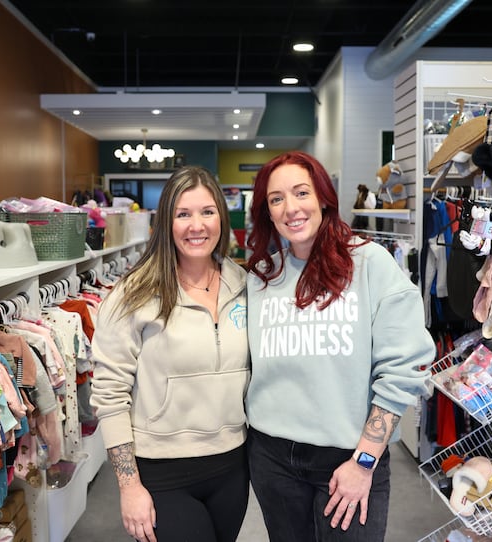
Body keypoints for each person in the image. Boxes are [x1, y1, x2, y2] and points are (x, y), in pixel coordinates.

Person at [245, 151, 435, 541]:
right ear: (267, 211)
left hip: (350, 457)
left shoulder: (370, 264)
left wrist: (364, 462)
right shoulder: (262, 277)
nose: (290, 208)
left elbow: (403, 371)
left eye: (301, 193)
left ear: (323, 198)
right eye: (276, 199)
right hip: (271, 459)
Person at [90, 166, 250, 542]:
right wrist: (129, 486)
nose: (197, 226)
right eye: (183, 214)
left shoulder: (243, 285)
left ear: (222, 218)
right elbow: (110, 395)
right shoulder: (134, 294)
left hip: (232, 465)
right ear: (166, 222)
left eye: (207, 212)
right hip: (162, 470)